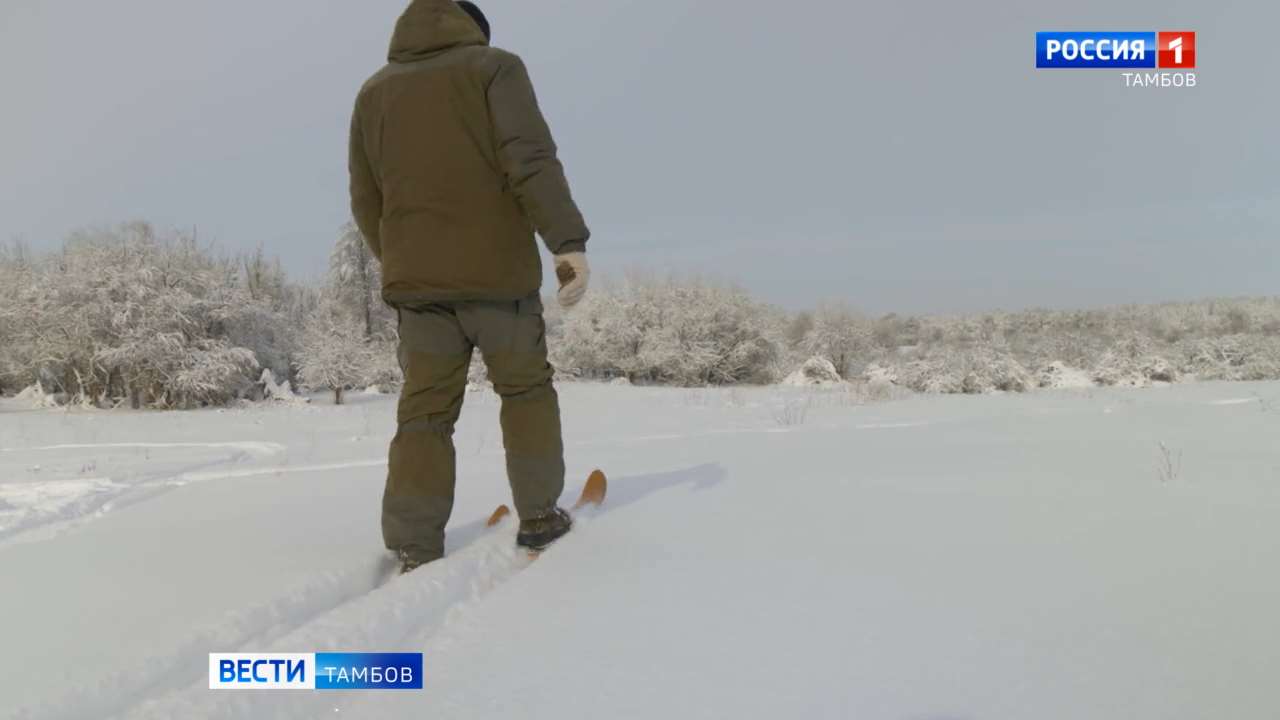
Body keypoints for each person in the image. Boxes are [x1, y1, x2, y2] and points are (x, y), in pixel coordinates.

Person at [348, 0, 591, 573]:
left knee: (423, 414)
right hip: (497, 280)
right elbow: (529, 159)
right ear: (475, 30)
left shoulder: (373, 93)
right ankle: (539, 516)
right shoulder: (495, 69)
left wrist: (402, 260)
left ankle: (414, 542)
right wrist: (567, 243)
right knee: (526, 392)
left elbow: (366, 198)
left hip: (419, 291)